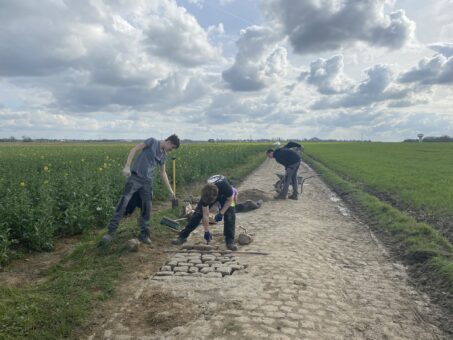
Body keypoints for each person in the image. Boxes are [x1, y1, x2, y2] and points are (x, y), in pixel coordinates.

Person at [101, 134, 180, 245]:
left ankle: (144, 234)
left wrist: (171, 190)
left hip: (147, 182)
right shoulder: (152, 142)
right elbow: (134, 149)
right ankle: (110, 232)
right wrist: (127, 166)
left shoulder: (163, 155)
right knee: (123, 203)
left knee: (147, 207)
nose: (171, 150)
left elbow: (163, 172)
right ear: (169, 142)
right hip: (135, 178)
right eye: (171, 148)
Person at [172, 175, 238, 251]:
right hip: (211, 193)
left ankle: (230, 240)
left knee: (230, 214)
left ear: (216, 196)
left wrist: (221, 213)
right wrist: (206, 231)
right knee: (197, 214)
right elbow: (205, 214)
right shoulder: (206, 193)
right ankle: (182, 236)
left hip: (224, 196)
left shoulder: (227, 188)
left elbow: (230, 200)